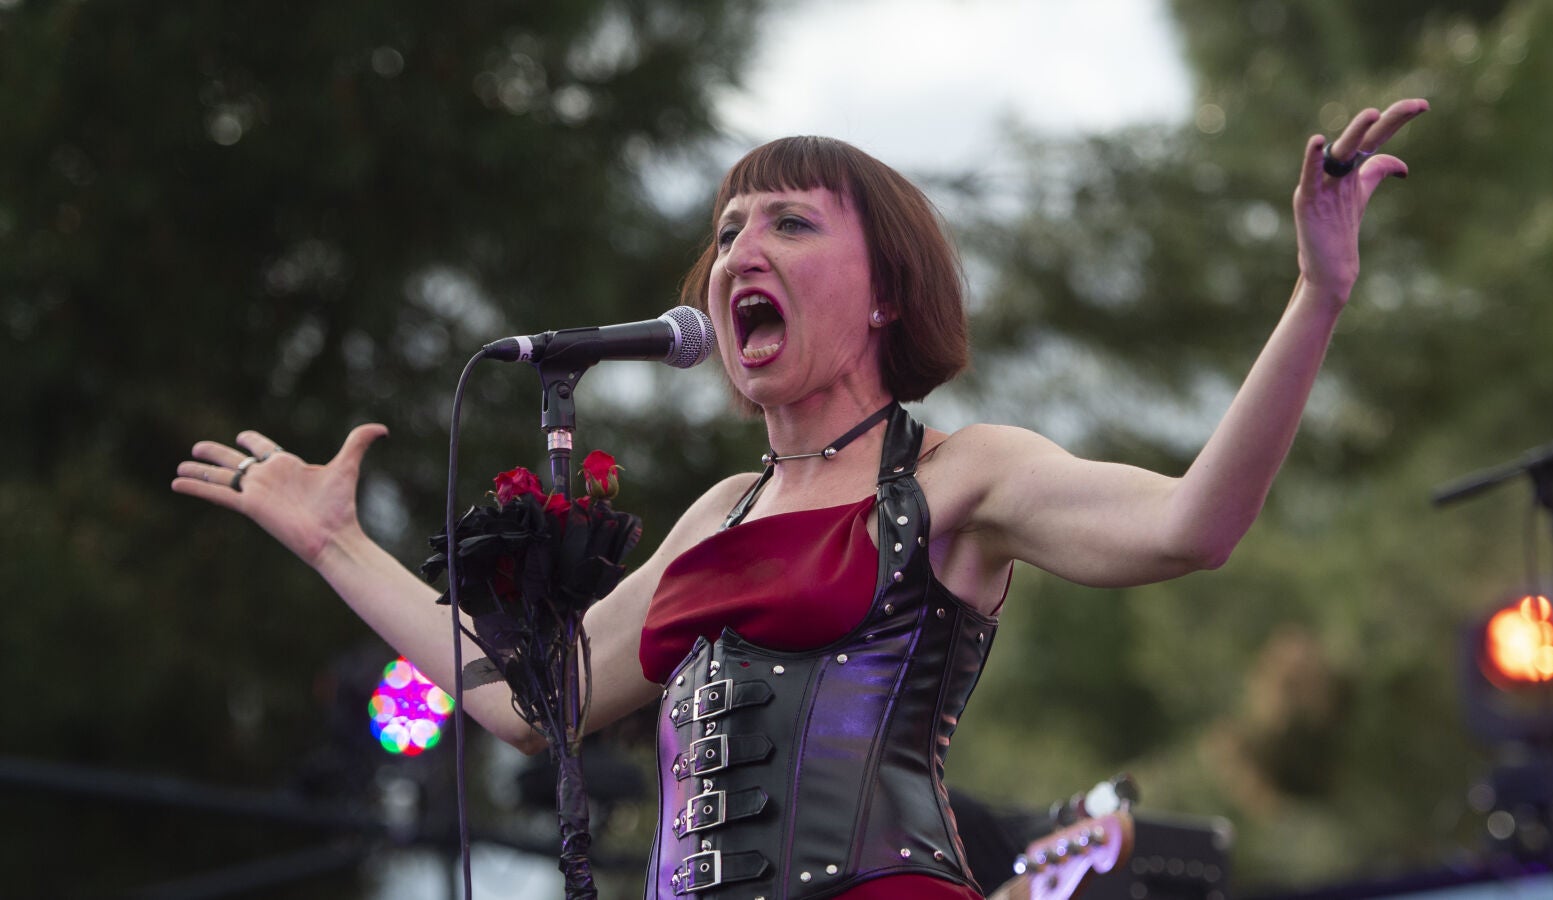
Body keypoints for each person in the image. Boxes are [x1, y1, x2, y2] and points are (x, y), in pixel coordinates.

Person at [173, 98, 1428, 899]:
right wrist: (335, 543)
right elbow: (527, 701)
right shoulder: (716, 514)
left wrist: (1315, 295)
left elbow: (1193, 525)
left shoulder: (961, 474)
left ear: (884, 295)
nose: (740, 252)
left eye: (788, 223)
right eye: (727, 233)